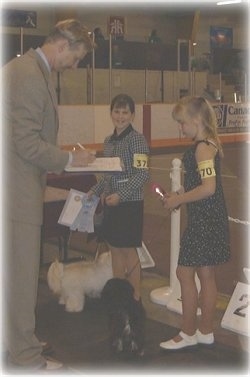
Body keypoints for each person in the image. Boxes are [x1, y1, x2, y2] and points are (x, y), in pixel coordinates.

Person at [2, 19, 96, 371]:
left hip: (16, 186)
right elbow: (26, 143)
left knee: (12, 275)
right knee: (22, 277)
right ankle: (25, 356)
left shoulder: (26, 69)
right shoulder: (28, 75)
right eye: (76, 59)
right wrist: (70, 159)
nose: (74, 67)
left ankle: (16, 339)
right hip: (17, 193)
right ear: (62, 47)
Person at [160, 96, 230, 350]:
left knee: (184, 272)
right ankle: (205, 330)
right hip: (210, 217)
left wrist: (178, 198)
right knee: (206, 274)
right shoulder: (210, 144)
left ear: (197, 120)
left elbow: (208, 188)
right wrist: (180, 198)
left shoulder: (202, 147)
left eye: (182, 123)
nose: (180, 128)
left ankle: (188, 331)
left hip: (204, 219)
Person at [88, 94, 150, 302]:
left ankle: (135, 297)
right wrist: (94, 192)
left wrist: (121, 196)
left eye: (125, 112)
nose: (120, 116)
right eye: (117, 111)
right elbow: (106, 175)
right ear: (111, 113)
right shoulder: (108, 141)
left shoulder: (138, 140)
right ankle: (118, 295)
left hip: (130, 204)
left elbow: (142, 174)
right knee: (114, 249)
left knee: (128, 251)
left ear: (132, 115)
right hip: (111, 205)